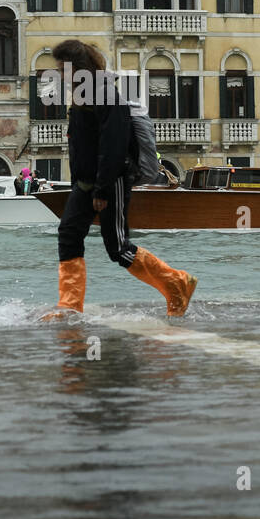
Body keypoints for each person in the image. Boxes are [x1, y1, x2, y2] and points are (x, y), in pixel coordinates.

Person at [43, 39, 198, 318]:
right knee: (68, 234)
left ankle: (176, 283)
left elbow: (113, 145)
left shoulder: (106, 94)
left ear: (78, 68)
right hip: (84, 182)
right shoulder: (83, 96)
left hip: (109, 182)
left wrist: (102, 189)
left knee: (118, 248)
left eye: (62, 69)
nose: (59, 75)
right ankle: (69, 307)